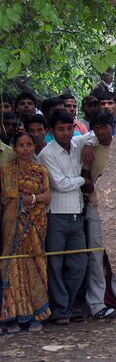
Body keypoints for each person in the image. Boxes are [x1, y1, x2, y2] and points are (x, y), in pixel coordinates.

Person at [37, 110, 97, 325]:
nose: (65, 133)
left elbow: (93, 134)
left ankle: (68, 306)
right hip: (56, 216)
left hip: (76, 214)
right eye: (60, 129)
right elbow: (60, 184)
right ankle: (60, 309)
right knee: (55, 264)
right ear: (51, 131)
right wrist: (83, 180)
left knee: (79, 263)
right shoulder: (47, 153)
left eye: (69, 128)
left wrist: (88, 145)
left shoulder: (78, 143)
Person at [0, 132, 51, 333]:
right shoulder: (5, 171)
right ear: (14, 148)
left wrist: (31, 202)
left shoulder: (40, 171)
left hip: (34, 226)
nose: (25, 149)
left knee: (34, 265)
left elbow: (47, 197)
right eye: (21, 145)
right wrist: (21, 203)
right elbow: (6, 199)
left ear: (34, 147)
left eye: (29, 144)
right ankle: (11, 316)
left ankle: (36, 315)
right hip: (11, 225)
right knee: (11, 267)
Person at [83, 112, 116, 319]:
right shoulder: (89, 150)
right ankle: (96, 303)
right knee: (96, 257)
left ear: (112, 126)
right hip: (95, 207)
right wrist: (96, 184)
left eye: (105, 126)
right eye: (97, 128)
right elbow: (83, 179)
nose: (101, 131)